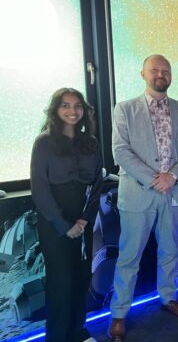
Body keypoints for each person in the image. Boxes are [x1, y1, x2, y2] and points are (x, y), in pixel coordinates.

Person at [108, 54, 178, 341]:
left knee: (170, 250)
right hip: (140, 194)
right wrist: (154, 179)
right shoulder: (124, 109)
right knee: (129, 256)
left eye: (165, 70)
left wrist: (171, 176)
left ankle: (168, 298)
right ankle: (119, 314)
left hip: (174, 191)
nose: (161, 74)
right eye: (155, 70)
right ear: (143, 74)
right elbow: (120, 151)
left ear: (171, 75)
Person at [30, 88, 102, 342]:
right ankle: (58, 337)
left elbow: (96, 184)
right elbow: (39, 189)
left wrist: (84, 219)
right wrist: (64, 225)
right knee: (61, 282)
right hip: (54, 223)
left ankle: (78, 332)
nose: (72, 111)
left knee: (83, 277)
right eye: (65, 105)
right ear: (56, 110)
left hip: (83, 221)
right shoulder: (44, 142)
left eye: (77, 105)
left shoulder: (91, 142)